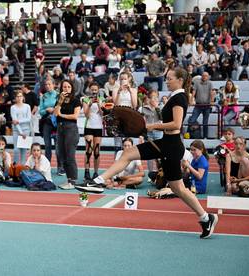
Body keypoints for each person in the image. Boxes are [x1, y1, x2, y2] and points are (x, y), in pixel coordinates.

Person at [77, 67, 219, 239]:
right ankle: (206, 218)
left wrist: (151, 126)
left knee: (178, 188)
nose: (167, 80)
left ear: (180, 80)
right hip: (167, 143)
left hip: (171, 146)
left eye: (170, 78)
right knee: (131, 156)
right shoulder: (175, 97)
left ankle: (206, 217)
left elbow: (176, 124)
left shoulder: (180, 98)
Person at [55, 80, 81, 190]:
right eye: (64, 87)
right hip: (60, 129)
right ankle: (69, 180)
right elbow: (56, 113)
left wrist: (62, 115)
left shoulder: (76, 100)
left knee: (70, 156)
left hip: (71, 129)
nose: (66, 89)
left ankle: (73, 181)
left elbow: (75, 116)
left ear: (72, 88)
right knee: (62, 156)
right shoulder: (59, 100)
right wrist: (60, 101)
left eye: (68, 87)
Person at [82, 82, 105, 181]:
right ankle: (87, 172)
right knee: (89, 151)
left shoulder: (102, 99)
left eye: (96, 90)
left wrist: (99, 105)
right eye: (92, 90)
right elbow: (86, 115)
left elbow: (103, 114)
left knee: (96, 151)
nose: (94, 92)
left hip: (98, 127)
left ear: (98, 90)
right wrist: (90, 104)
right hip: (89, 126)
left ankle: (95, 172)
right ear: (89, 90)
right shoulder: (85, 99)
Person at [188, 72, 214, 139]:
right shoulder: (197, 82)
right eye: (203, 75)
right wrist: (191, 100)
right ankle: (189, 134)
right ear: (201, 76)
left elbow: (211, 93)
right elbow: (194, 92)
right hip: (198, 105)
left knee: (205, 122)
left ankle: (205, 136)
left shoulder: (210, 83)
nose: (204, 77)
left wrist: (212, 101)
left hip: (207, 105)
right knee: (192, 120)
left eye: (206, 76)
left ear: (208, 77)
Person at [11, 91, 32, 165]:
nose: (19, 98)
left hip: (26, 130)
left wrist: (19, 121)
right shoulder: (13, 107)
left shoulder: (27, 106)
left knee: (24, 150)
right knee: (16, 150)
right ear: (15, 98)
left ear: (23, 97)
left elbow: (29, 118)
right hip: (16, 131)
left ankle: (22, 167)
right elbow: (14, 121)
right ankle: (15, 166)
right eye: (17, 96)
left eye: (20, 96)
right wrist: (21, 132)